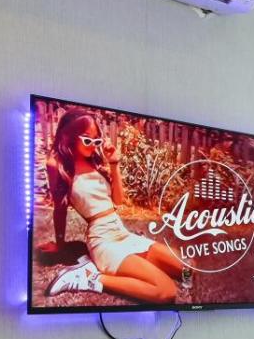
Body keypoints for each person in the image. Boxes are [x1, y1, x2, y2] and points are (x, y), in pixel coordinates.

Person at [39, 109, 185, 304]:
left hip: (122, 233)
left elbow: (118, 201)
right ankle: (89, 277)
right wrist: (60, 244)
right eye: (87, 140)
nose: (93, 146)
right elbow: (60, 208)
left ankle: (127, 264)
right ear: (70, 136)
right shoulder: (57, 165)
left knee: (186, 269)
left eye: (97, 140)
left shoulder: (94, 162)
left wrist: (114, 164)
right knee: (166, 291)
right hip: (103, 240)